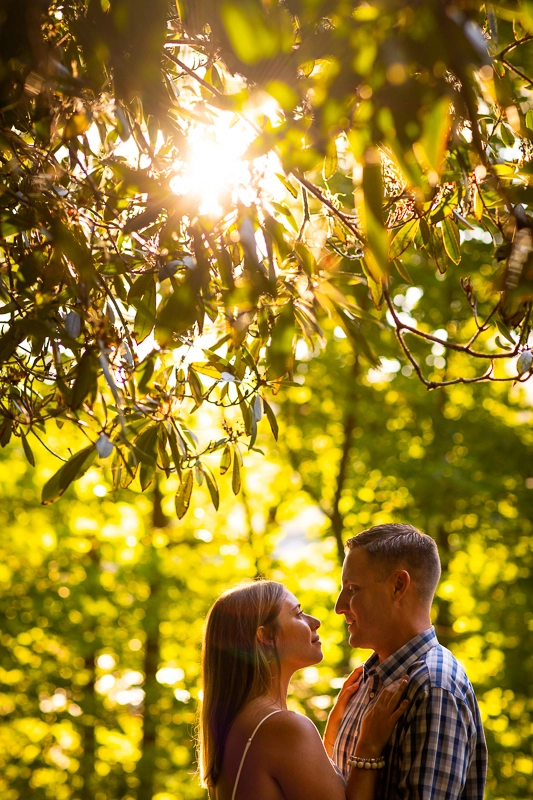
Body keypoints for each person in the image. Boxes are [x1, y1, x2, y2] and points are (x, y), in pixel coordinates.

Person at [198, 579, 409, 800]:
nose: (315, 622)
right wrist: (369, 745)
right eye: (298, 614)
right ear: (266, 636)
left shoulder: (237, 726)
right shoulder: (283, 728)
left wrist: (332, 731)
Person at [330, 523, 487, 800]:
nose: (339, 606)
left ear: (398, 586)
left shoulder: (434, 688)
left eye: (353, 589)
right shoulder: (365, 681)